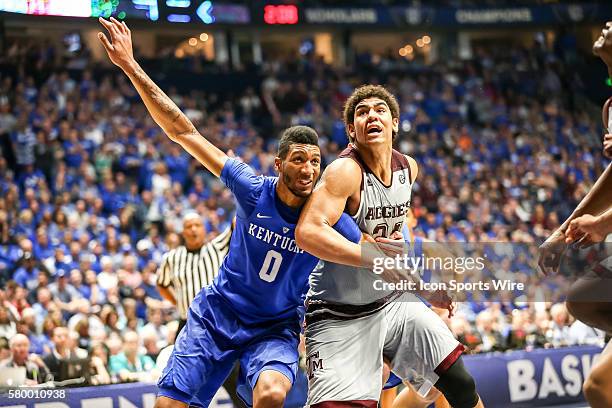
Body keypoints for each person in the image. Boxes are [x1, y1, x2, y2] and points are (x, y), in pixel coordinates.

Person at [97, 17, 361, 408]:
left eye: (315, 162)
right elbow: (184, 132)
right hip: (218, 315)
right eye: (299, 160)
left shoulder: (329, 216)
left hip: (274, 328)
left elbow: (373, 254)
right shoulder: (253, 190)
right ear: (278, 164)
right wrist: (131, 66)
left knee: (271, 393)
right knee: (167, 405)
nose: (308, 169)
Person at [296, 85, 482, 408]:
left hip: (391, 303)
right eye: (362, 112)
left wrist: (424, 289)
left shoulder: (408, 169)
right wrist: (369, 256)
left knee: (460, 383)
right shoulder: (345, 171)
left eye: (379, 110)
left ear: (394, 123)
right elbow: (308, 232)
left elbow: (394, 251)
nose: (371, 115)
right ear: (351, 131)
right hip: (339, 312)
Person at [538, 21, 612, 408]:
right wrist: (561, 232)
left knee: (598, 386)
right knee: (582, 299)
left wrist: (602, 223)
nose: (607, 24)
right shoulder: (610, 107)